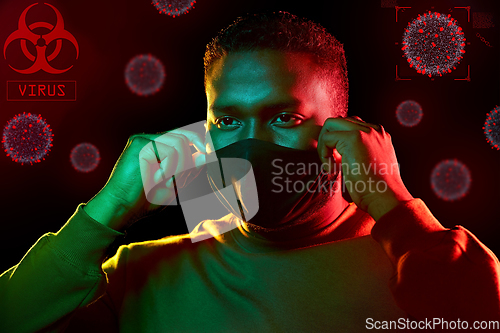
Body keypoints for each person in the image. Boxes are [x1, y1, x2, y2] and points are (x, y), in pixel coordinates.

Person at [1, 11, 499, 333]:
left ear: (345, 131)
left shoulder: (420, 261)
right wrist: (106, 210)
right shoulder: (138, 274)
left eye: (285, 117)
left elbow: (472, 318)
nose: (250, 143)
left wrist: (388, 199)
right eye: (228, 120)